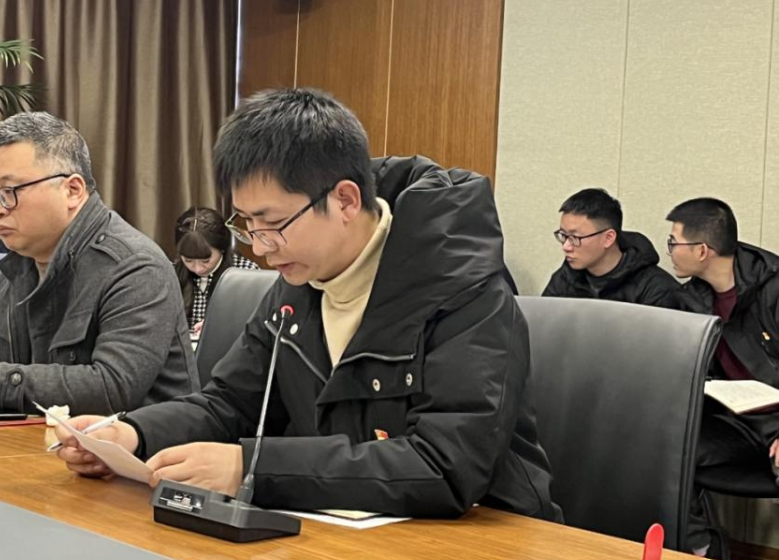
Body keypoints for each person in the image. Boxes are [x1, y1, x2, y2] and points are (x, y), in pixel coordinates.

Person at [59, 88, 561, 521]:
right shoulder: (299, 282)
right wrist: (130, 434)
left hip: (482, 548)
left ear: (345, 200)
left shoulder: (462, 288)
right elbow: (230, 404)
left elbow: (445, 466)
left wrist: (251, 468)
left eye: (273, 223)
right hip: (342, 537)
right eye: (247, 224)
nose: (261, 247)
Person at [0, 111, 198, 413]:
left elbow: (112, 388)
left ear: (72, 191)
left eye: (10, 192)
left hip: (133, 442)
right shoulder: (23, 258)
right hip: (37, 436)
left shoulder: (135, 266)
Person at [666, 198, 779, 552]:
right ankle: (702, 555)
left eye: (673, 242)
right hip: (737, 421)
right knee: (665, 449)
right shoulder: (690, 299)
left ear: (702, 250)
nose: (669, 251)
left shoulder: (773, 289)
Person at [543, 188, 678, 307]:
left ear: (608, 238)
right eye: (563, 235)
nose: (566, 246)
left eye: (574, 237)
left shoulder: (657, 290)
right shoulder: (565, 278)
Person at [174, 206, 258, 335]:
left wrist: (221, 326)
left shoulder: (247, 273)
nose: (198, 269)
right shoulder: (171, 274)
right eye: (188, 260)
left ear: (222, 248)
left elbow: (258, 321)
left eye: (205, 261)